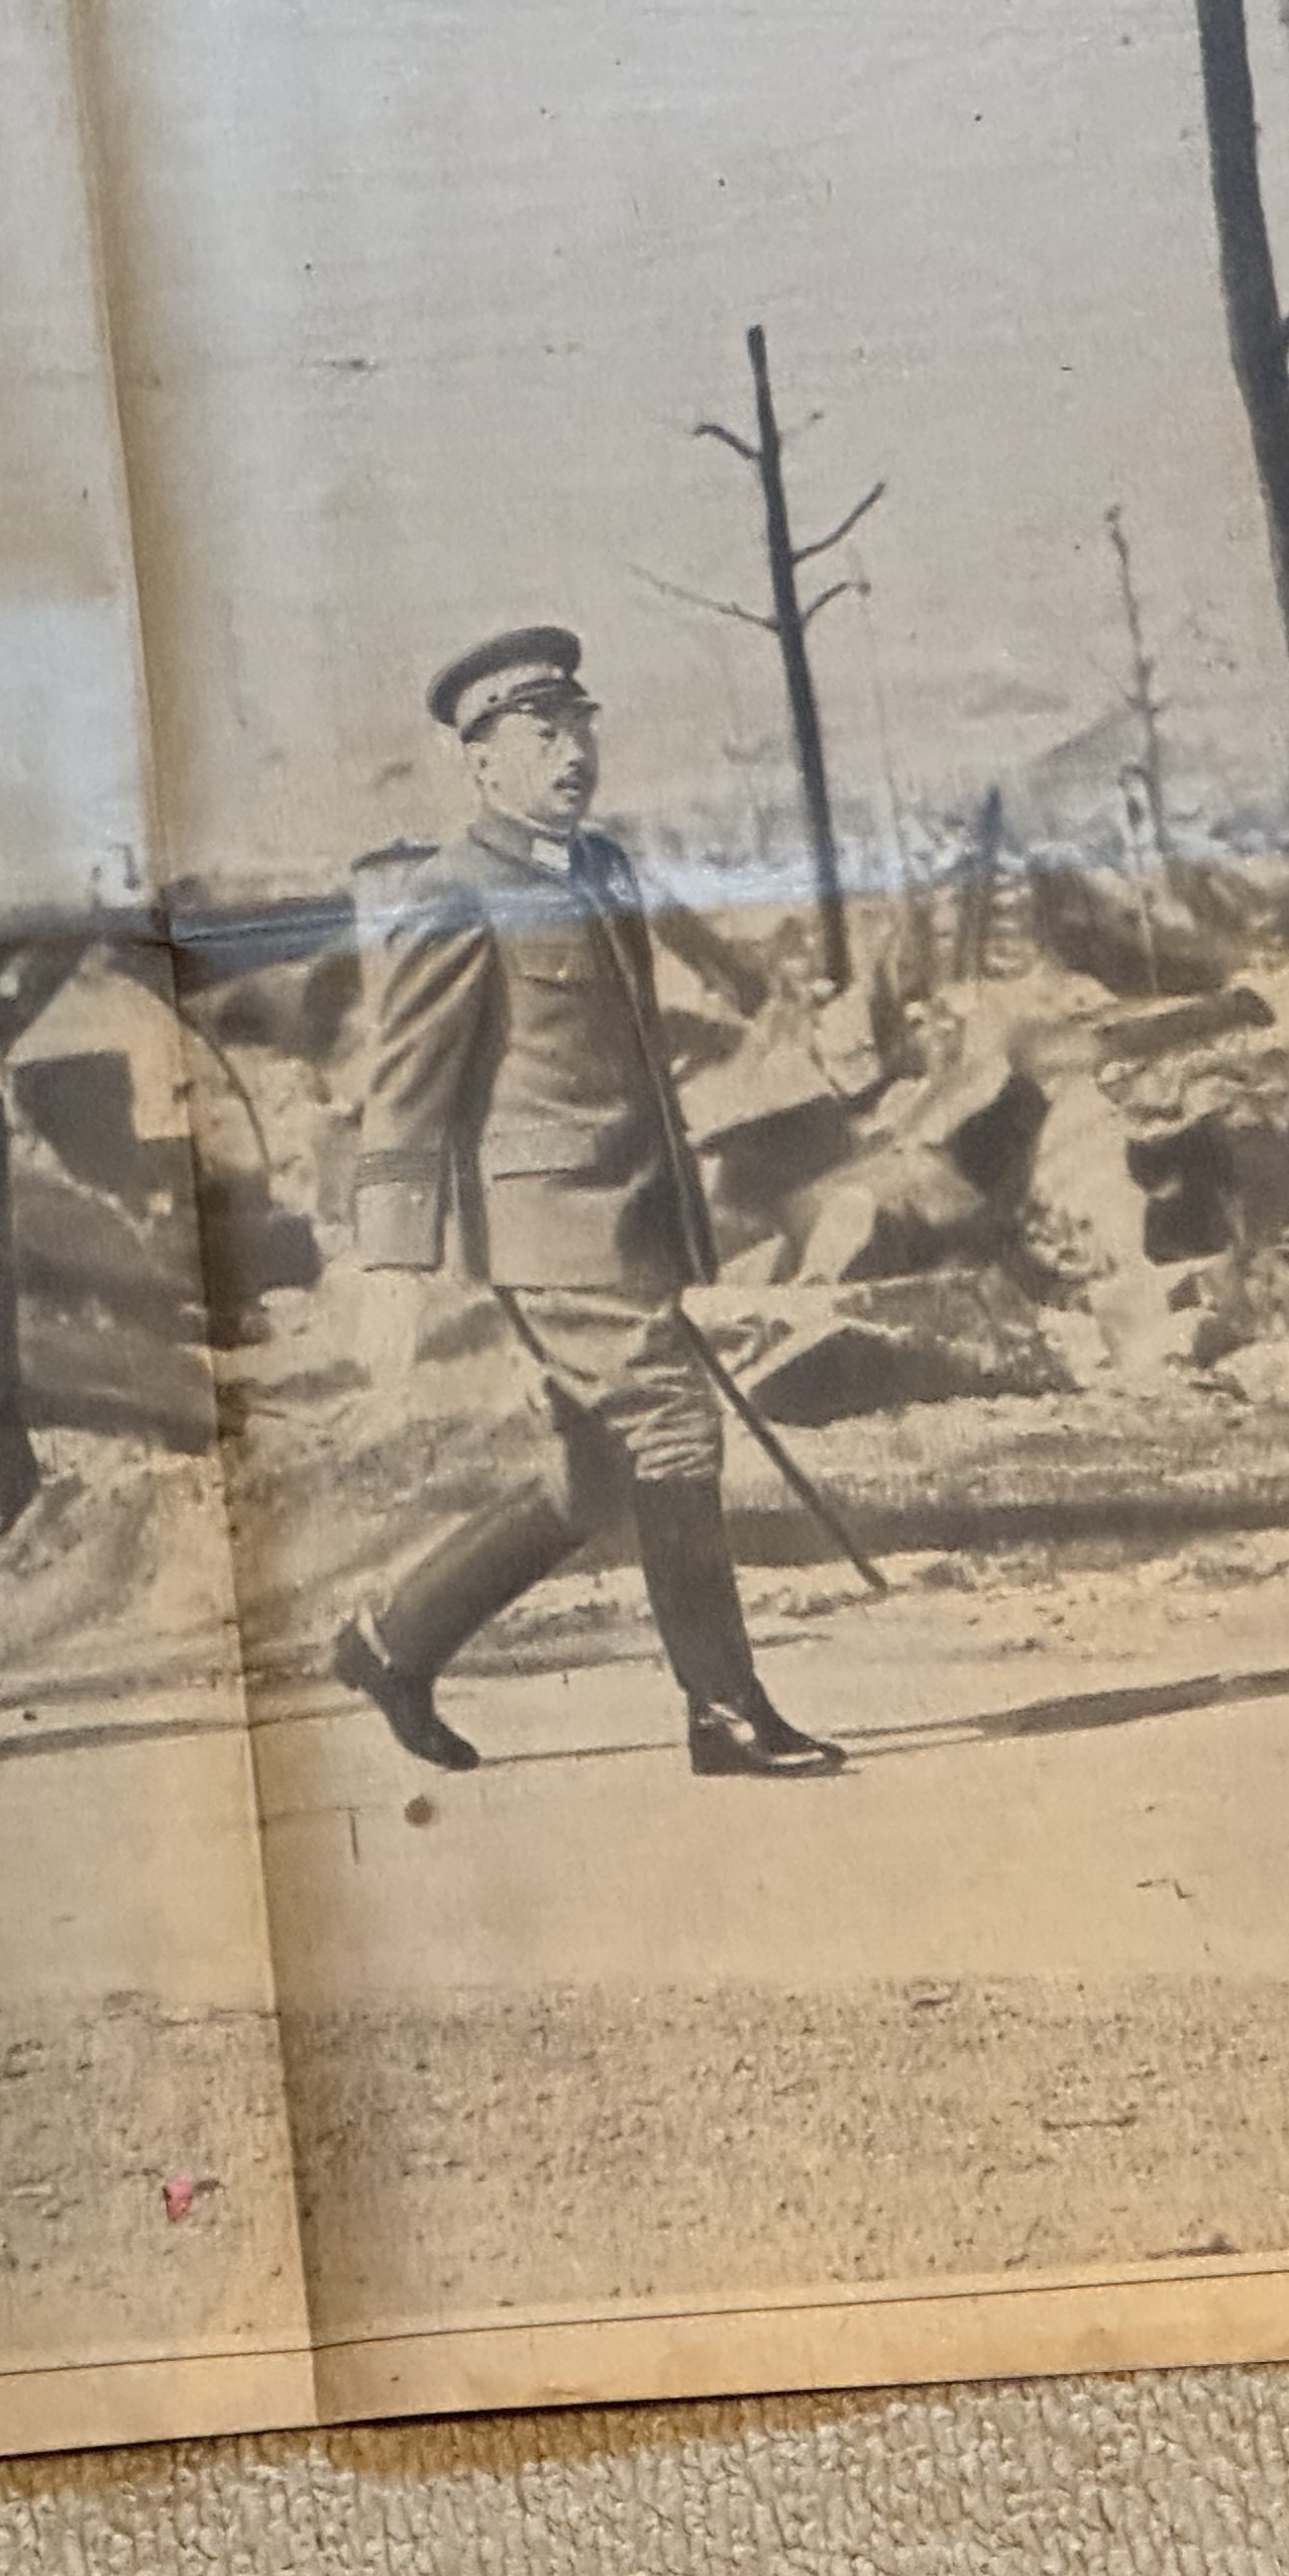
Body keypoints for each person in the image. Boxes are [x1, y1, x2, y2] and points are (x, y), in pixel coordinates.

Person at [328, 625, 847, 1780]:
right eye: (539, 735)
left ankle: (391, 1644)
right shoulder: (453, 894)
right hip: (546, 1222)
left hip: (628, 1210)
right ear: (481, 762)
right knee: (672, 1423)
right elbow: (404, 1092)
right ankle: (724, 1712)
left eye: (579, 728)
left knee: (592, 1477)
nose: (571, 753)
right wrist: (392, 1264)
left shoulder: (600, 868)